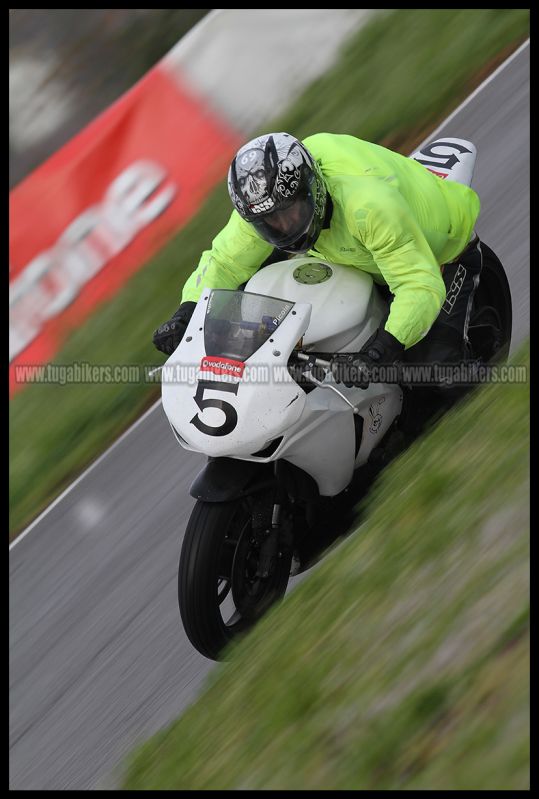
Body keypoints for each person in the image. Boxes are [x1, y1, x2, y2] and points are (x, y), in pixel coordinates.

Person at [152, 132, 482, 388]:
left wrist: (383, 349)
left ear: (312, 189)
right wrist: (188, 312)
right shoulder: (265, 202)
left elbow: (418, 284)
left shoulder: (367, 208)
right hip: (350, 251)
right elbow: (224, 260)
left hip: (439, 255)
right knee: (256, 285)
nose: (282, 228)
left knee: (433, 375)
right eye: (269, 223)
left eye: (289, 214)